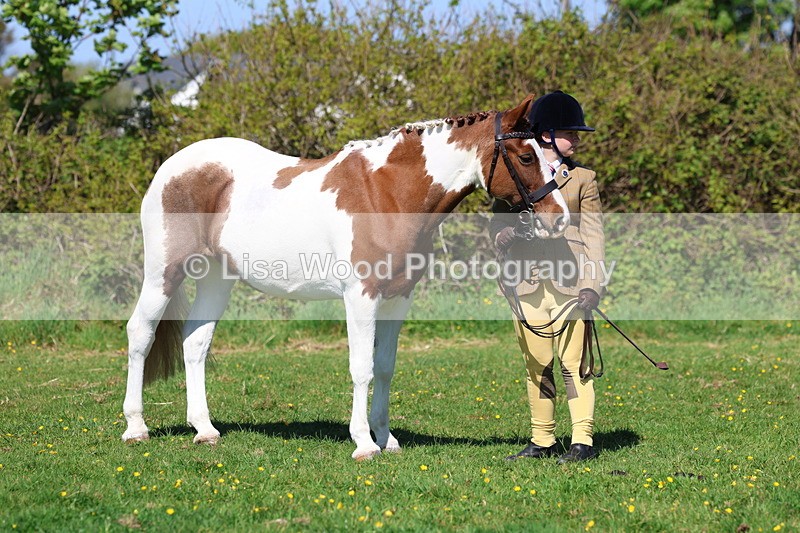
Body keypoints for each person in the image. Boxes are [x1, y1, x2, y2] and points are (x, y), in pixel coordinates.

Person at [490, 90, 605, 463]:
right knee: (536, 365)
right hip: (525, 282)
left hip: (570, 283)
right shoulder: (515, 173)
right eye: (570, 132)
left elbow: (593, 235)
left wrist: (592, 285)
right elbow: (495, 227)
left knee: (575, 364)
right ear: (546, 135)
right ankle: (542, 441)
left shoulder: (583, 179)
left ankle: (582, 441)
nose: (578, 139)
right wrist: (502, 236)